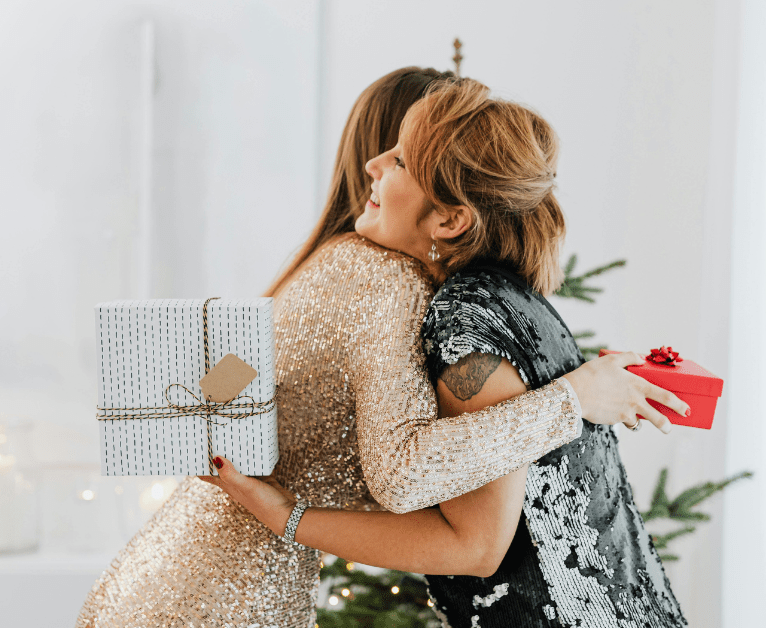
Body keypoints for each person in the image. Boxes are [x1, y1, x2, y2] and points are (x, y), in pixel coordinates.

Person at [76, 68, 683, 628]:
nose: (374, 165)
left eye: (399, 157)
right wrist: (571, 399)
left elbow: (223, 384)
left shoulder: (333, 262)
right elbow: (408, 475)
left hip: (164, 579)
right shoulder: (380, 278)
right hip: (215, 603)